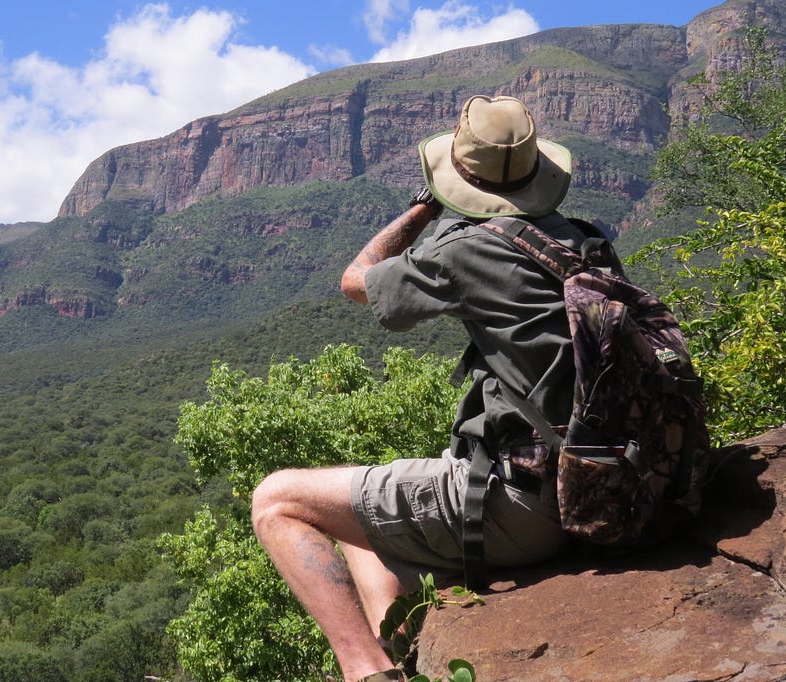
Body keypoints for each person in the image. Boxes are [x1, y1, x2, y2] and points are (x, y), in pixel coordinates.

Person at [252, 95, 597, 682]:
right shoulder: (584, 242)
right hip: (594, 489)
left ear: (458, 177)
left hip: (521, 507)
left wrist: (423, 210)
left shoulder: (464, 248)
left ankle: (364, 671)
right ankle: (405, 660)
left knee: (277, 500)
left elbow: (356, 281)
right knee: (353, 517)